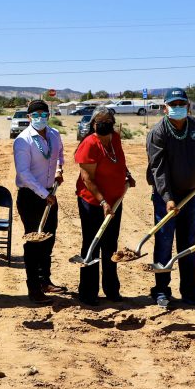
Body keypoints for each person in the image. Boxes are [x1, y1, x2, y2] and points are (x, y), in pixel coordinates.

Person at [146, 87, 195, 308]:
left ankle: (189, 291)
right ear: (165, 108)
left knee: (188, 244)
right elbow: (158, 168)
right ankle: (161, 290)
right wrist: (167, 197)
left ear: (188, 106)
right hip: (167, 198)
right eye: (173, 105)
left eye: (181, 104)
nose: (178, 108)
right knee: (164, 243)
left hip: (190, 195)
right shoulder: (158, 132)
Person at [75, 107, 136, 307]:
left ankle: (111, 290)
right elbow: (88, 179)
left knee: (110, 245)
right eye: (99, 121)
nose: (104, 124)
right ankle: (87, 293)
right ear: (93, 124)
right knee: (92, 245)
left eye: (108, 121)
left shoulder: (115, 138)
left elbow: (119, 161)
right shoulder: (89, 144)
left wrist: (127, 175)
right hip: (93, 202)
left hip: (115, 201)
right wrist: (102, 202)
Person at [13, 100, 66, 303]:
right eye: (35, 115)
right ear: (29, 117)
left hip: (50, 194)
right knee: (34, 242)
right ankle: (34, 289)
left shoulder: (53, 134)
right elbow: (24, 173)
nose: (40, 118)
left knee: (49, 239)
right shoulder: (23, 141)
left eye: (44, 114)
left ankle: (45, 280)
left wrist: (59, 169)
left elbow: (59, 154)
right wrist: (44, 194)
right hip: (31, 197)